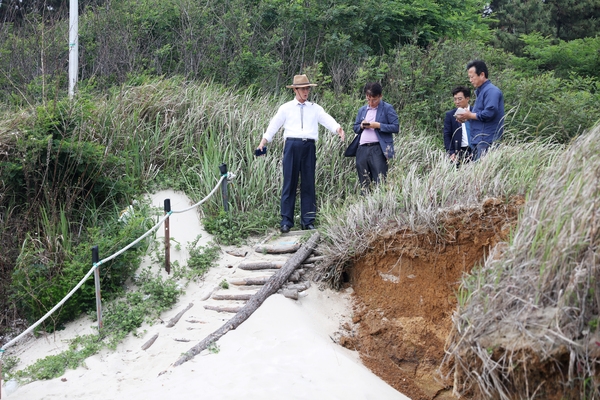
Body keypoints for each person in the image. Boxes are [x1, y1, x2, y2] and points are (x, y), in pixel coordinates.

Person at [257, 74, 345, 233]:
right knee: (289, 182)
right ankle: (286, 221)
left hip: (308, 146)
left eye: (307, 88)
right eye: (303, 89)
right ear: (295, 90)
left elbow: (326, 119)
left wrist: (337, 128)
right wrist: (264, 141)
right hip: (291, 145)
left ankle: (308, 220)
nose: (306, 91)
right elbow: (274, 125)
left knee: (308, 183)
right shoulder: (286, 108)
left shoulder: (315, 108)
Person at [351, 82, 399, 191]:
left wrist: (378, 125)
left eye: (374, 100)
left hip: (378, 148)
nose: (371, 103)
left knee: (380, 181)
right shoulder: (362, 110)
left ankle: (380, 205)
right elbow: (355, 127)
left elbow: (395, 127)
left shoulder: (387, 108)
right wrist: (362, 126)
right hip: (362, 148)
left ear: (380, 96)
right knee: (364, 182)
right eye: (368, 100)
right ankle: (365, 205)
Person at [455, 60, 504, 161]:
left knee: (484, 174)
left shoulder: (491, 91)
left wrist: (470, 116)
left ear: (482, 74)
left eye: (472, 77)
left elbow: (490, 113)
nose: (470, 80)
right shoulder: (482, 92)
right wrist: (466, 118)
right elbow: (480, 116)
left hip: (486, 141)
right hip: (479, 141)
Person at [443, 86, 472, 165]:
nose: (457, 102)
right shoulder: (450, 115)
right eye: (455, 99)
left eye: (460, 99)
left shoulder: (475, 112)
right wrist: (451, 152)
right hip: (459, 151)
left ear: (467, 98)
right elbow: (447, 135)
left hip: (475, 149)